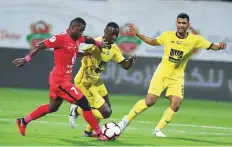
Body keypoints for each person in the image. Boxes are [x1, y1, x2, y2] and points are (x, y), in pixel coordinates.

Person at [117, 13, 227, 137]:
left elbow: (212, 46)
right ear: (176, 23)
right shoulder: (167, 35)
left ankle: (158, 130)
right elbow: (153, 42)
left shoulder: (195, 39)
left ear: (188, 25)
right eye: (179, 23)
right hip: (162, 73)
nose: (181, 25)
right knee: (149, 101)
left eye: (184, 23)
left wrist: (220, 46)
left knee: (176, 104)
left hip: (177, 76)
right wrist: (138, 34)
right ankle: (125, 120)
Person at [13, 17, 110, 140]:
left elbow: (86, 39)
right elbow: (40, 45)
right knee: (84, 104)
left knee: (52, 107)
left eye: (83, 31)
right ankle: (100, 134)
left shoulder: (77, 37)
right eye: (80, 31)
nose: (81, 34)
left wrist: (98, 44)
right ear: (72, 28)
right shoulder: (60, 38)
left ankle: (23, 121)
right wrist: (26, 59)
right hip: (60, 82)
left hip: (59, 79)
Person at [68, 22, 136, 137]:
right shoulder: (95, 43)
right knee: (105, 112)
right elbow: (77, 52)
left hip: (96, 81)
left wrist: (130, 62)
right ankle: (76, 110)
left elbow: (124, 65)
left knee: (107, 107)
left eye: (116, 35)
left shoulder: (114, 48)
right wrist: (86, 54)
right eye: (112, 34)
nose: (114, 37)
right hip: (85, 82)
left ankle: (88, 132)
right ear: (105, 32)